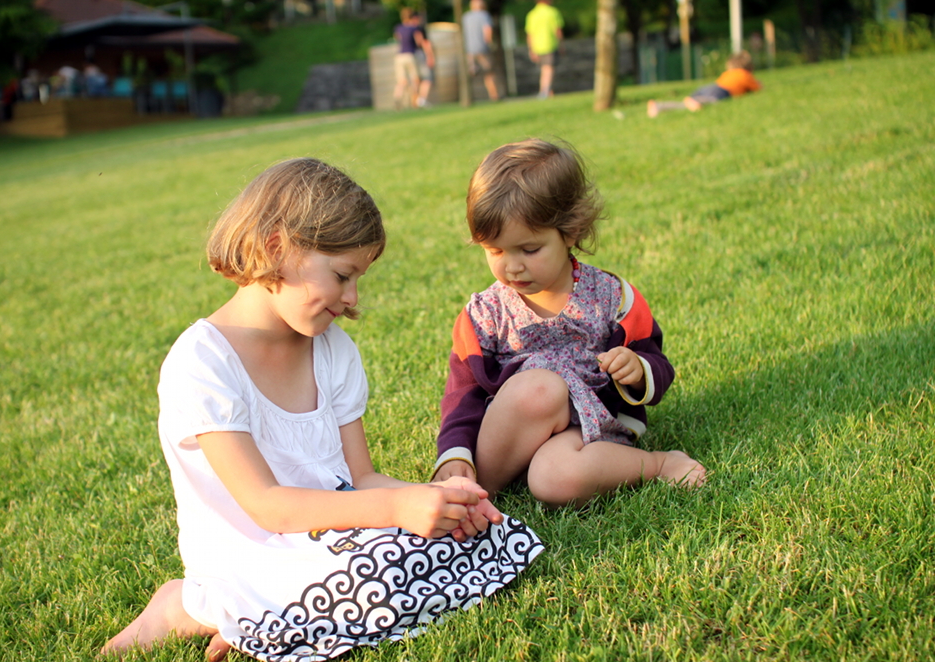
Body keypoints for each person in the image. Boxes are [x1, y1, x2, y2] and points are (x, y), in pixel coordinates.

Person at [100, 158, 542, 661]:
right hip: (252, 553)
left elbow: (362, 479)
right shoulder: (204, 361)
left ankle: (263, 621)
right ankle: (196, 605)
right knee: (377, 581)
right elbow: (267, 505)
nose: (352, 299)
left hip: (333, 534)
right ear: (276, 248)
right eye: (342, 276)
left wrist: (436, 497)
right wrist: (397, 509)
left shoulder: (333, 351)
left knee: (481, 538)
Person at [431, 139, 706, 507]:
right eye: (495, 250)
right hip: (512, 433)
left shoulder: (611, 298)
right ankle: (479, 492)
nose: (512, 266)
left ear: (571, 231)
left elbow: (657, 363)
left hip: (587, 432)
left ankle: (658, 464)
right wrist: (455, 454)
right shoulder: (484, 315)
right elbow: (462, 394)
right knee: (538, 389)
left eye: (530, 249)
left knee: (555, 479)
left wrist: (638, 369)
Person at [648, 50, 761, 117]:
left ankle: (659, 106)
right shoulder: (745, 75)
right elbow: (757, 88)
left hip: (711, 86)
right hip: (722, 91)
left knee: (684, 105)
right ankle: (696, 102)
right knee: (710, 101)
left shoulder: (728, 73)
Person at [392, 9, 434, 109]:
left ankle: (397, 98)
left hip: (399, 56)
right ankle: (416, 101)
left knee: (401, 81)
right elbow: (420, 42)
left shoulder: (398, 28)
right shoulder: (414, 29)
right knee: (415, 79)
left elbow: (397, 38)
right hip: (410, 55)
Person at [525, 0, 563, 99]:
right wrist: (561, 44)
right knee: (549, 69)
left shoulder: (532, 14)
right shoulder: (552, 12)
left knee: (544, 70)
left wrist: (531, 49)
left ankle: (547, 91)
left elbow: (530, 34)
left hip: (537, 46)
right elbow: (557, 30)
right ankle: (545, 92)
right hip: (549, 44)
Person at [462, 0, 500, 102]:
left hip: (469, 50)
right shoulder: (484, 15)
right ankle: (494, 95)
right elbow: (487, 30)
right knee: (489, 71)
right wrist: (490, 43)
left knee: (471, 73)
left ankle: (468, 98)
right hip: (482, 48)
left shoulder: (465, 17)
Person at [410, 11, 436, 107]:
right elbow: (424, 42)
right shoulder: (418, 29)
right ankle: (421, 100)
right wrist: (430, 56)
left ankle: (415, 101)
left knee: (416, 79)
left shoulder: (406, 29)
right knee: (427, 78)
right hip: (420, 55)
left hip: (410, 56)